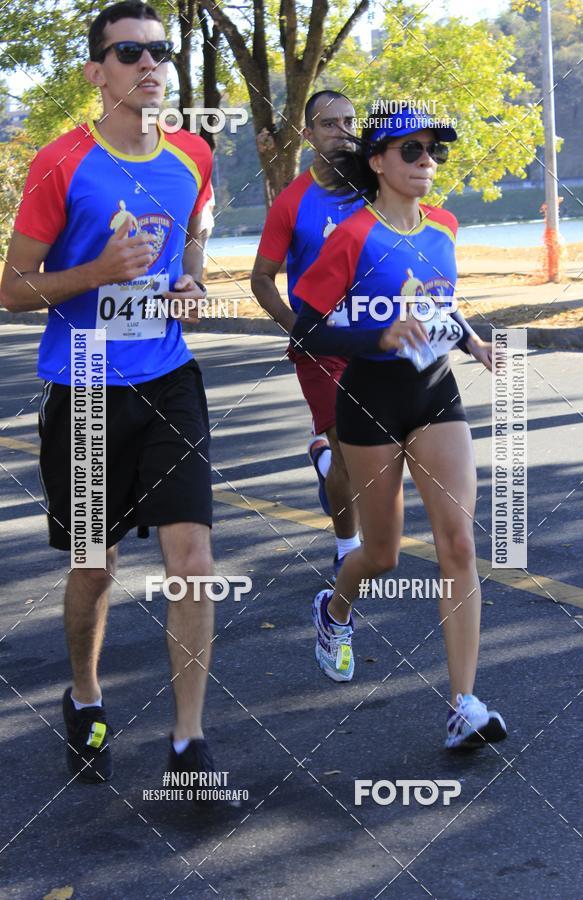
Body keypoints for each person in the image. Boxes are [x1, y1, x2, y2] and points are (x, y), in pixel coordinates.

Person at [0, 1, 220, 790]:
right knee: (95, 566)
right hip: (86, 381)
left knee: (192, 558)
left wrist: (191, 278)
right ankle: (85, 694)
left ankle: (190, 740)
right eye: (130, 53)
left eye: (159, 51)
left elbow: (194, 229)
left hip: (168, 379)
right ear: (97, 72)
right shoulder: (60, 164)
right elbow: (12, 290)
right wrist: (99, 271)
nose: (150, 64)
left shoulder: (193, 151)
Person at [291, 105, 508, 750]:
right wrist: (375, 333)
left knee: (459, 546)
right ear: (378, 160)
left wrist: (473, 344)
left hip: (435, 392)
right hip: (370, 401)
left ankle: (463, 702)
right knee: (382, 553)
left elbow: (440, 301)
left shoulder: (444, 224)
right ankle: (335, 611)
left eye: (434, 153)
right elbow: (304, 327)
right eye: (411, 151)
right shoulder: (352, 234)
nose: (427, 163)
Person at [251, 90, 364, 581]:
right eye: (329, 124)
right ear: (308, 134)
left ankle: (323, 464)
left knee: (376, 454)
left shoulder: (377, 187)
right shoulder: (292, 201)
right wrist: (300, 327)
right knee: (348, 453)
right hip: (322, 346)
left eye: (348, 121)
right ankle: (347, 548)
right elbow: (261, 278)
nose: (342, 131)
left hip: (378, 339)